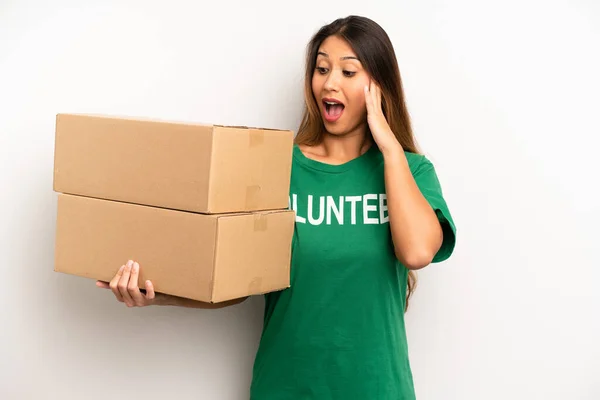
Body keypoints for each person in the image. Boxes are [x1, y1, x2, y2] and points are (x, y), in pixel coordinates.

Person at [96, 15, 457, 399]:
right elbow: (234, 281)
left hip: (378, 390)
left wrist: (389, 147)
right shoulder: (275, 169)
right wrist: (154, 293)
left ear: (378, 86)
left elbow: (417, 251)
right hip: (284, 388)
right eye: (321, 68)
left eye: (348, 71)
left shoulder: (411, 172)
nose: (329, 82)